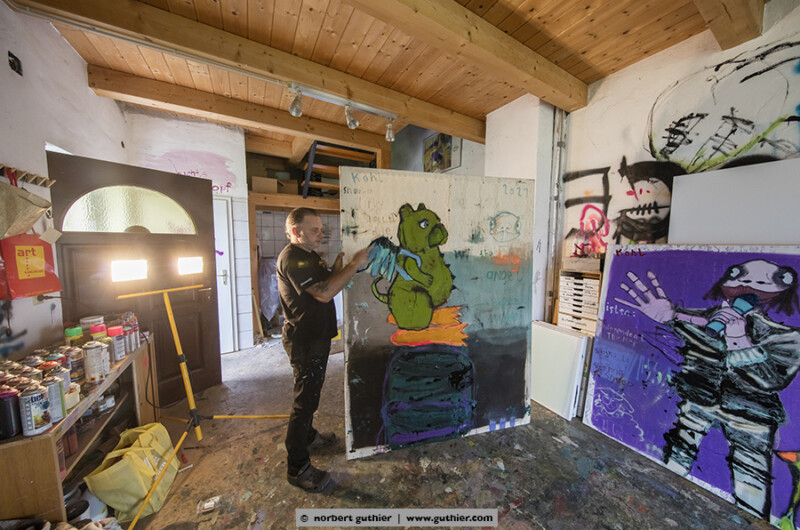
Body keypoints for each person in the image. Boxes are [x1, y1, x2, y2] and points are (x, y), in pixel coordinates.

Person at [615, 259, 800, 518]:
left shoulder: (785, 338)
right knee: (679, 451)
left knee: (751, 474)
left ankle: (752, 519)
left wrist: (739, 339)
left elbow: (771, 379)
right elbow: (684, 322)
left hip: (751, 415)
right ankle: (661, 502)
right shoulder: (707, 320)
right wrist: (669, 316)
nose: (747, 285)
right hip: (698, 398)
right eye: (741, 279)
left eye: (759, 283)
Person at [276, 207, 369, 492]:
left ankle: (308, 437)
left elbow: (326, 282)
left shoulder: (309, 255)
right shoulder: (292, 258)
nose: (321, 234)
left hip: (316, 337)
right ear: (296, 231)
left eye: (321, 229)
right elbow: (324, 293)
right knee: (304, 403)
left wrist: (337, 267)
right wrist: (353, 265)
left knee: (311, 395)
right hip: (304, 341)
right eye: (314, 230)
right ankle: (297, 468)